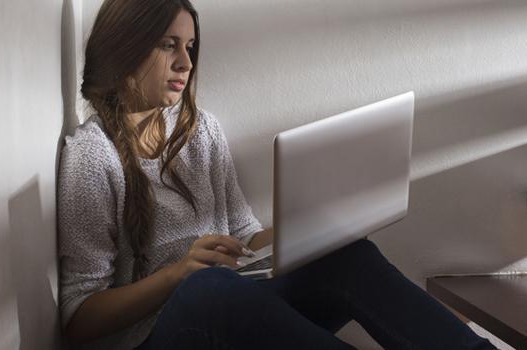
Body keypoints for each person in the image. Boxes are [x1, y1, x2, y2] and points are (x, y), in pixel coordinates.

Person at [57, 0, 497, 349]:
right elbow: (79, 318)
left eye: (190, 47)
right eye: (169, 44)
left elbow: (245, 235)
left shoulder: (201, 130)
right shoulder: (94, 157)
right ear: (126, 45)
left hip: (229, 308)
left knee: (347, 257)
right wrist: (177, 275)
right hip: (163, 333)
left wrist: (310, 233)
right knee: (209, 289)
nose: (186, 64)